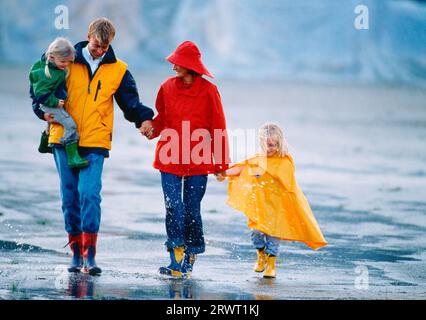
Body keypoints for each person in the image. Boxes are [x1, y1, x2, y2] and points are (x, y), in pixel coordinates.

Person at [31, 17, 154, 275]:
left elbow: (130, 103)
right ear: (89, 36)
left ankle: (90, 255)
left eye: (105, 47)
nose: (100, 51)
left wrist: (144, 119)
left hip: (96, 140)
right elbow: (39, 88)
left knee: (89, 194)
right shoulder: (66, 59)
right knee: (70, 197)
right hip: (62, 138)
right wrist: (42, 114)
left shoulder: (119, 70)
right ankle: (75, 254)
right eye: (97, 45)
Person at [145, 40, 230, 278]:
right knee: (173, 206)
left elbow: (218, 127)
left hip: (199, 158)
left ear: (189, 66)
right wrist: (151, 128)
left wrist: (221, 164)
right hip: (169, 156)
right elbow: (163, 118)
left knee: (192, 209)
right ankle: (176, 258)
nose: (173, 67)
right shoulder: (166, 87)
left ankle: (191, 255)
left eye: (177, 63)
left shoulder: (210, 91)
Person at [218, 123, 327, 278]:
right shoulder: (258, 159)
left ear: (279, 143)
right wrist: (224, 172)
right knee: (256, 232)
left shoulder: (285, 161)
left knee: (274, 235)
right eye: (265, 145)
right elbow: (242, 169)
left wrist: (261, 172)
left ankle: (271, 266)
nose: (268, 148)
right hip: (260, 206)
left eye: (272, 145)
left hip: (277, 207)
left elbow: (287, 183)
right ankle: (260, 256)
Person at [29, 37, 88, 168]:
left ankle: (44, 144)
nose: (66, 64)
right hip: (50, 104)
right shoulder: (44, 73)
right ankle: (72, 156)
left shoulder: (56, 67)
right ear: (51, 57)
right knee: (71, 125)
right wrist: (55, 102)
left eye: (69, 62)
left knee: (55, 121)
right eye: (63, 61)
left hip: (52, 104)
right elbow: (40, 95)